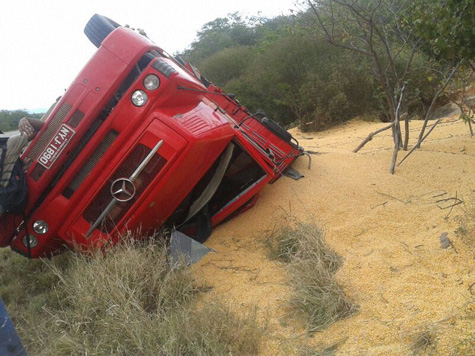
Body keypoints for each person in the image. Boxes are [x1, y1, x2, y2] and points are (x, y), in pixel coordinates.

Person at [0, 117, 43, 246]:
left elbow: (42, 128)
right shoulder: (9, 146)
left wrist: (25, 120)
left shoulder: (9, 145)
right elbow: (40, 128)